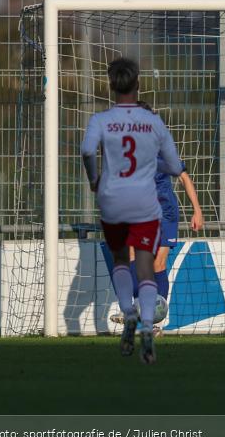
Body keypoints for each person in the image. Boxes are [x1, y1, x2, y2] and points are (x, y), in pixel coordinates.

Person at [80, 58, 184, 364]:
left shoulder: (101, 120)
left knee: (122, 261)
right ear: (137, 85)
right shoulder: (153, 125)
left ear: (112, 86)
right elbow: (175, 165)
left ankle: (129, 311)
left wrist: (95, 179)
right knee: (146, 265)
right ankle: (147, 324)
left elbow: (87, 151)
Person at [109, 101, 205, 334]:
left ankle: (154, 323)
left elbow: (184, 177)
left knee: (157, 264)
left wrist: (197, 210)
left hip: (165, 214)